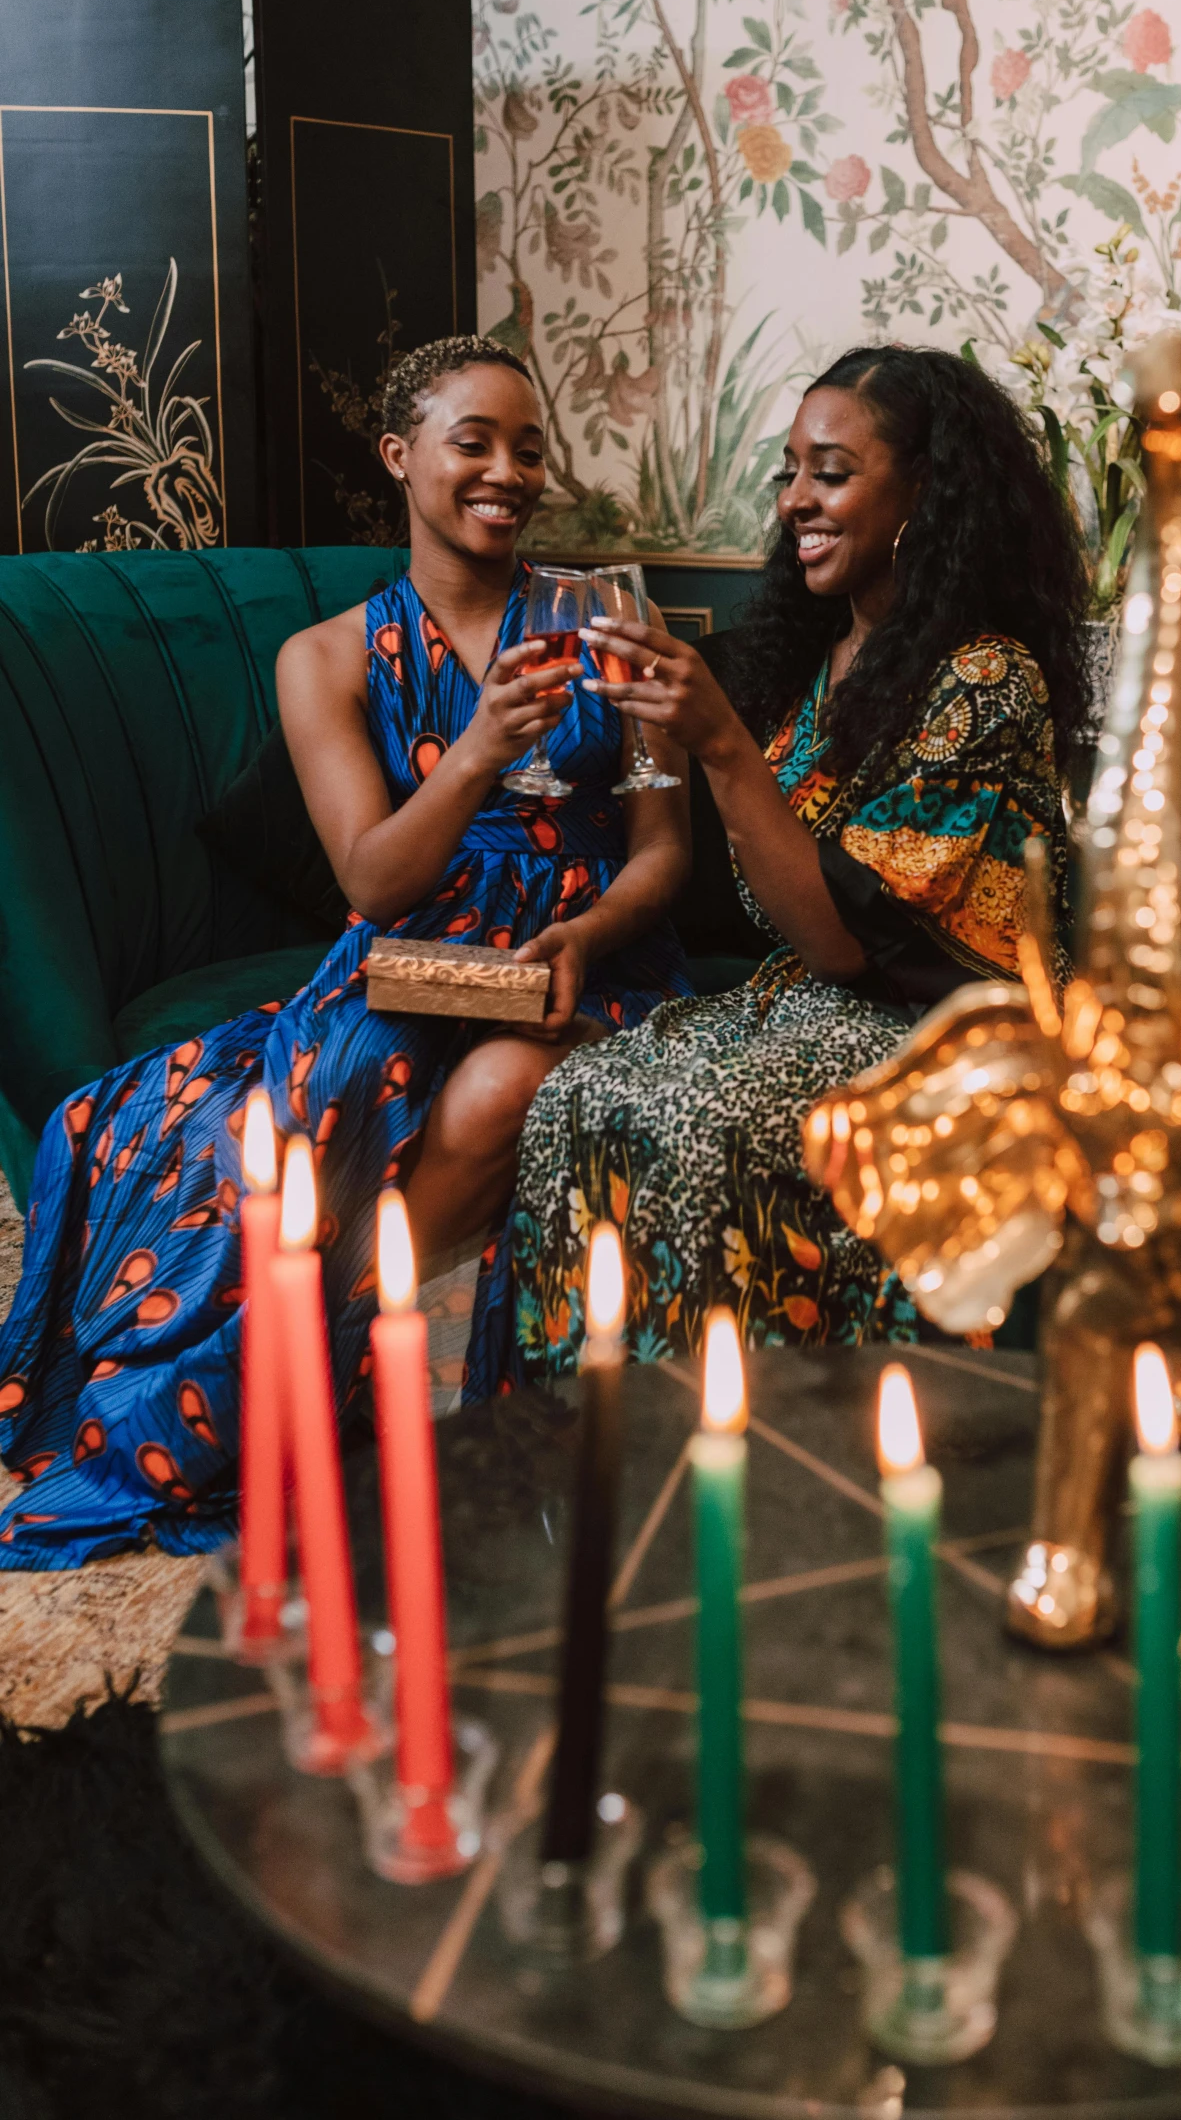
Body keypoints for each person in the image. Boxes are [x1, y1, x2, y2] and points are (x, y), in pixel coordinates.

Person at [0, 336, 689, 1565]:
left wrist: (585, 929)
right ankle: (260, 1385)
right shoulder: (319, 658)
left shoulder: (612, 618)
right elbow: (373, 877)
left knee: (501, 1087)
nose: (506, 470)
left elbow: (660, 848)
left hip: (589, 959)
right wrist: (477, 746)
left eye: (528, 446)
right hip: (412, 954)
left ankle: (285, 1374)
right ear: (400, 455)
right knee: (303, 1091)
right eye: (471, 440)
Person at [465, 344, 1088, 1392]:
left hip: (945, 1033)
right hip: (806, 1004)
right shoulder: (813, 658)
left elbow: (842, 936)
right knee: (582, 1092)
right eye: (789, 471)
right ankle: (581, 1448)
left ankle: (733, 1446)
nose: (796, 497)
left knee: (689, 1114)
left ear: (925, 490)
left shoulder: (985, 677)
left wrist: (719, 743)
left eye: (831, 472)